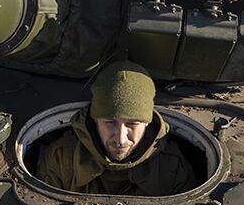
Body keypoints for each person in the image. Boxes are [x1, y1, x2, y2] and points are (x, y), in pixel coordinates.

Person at [37, 61, 197, 196]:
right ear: (95, 120)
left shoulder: (172, 168)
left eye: (132, 124)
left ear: (147, 123)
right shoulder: (62, 158)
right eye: (110, 122)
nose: (121, 138)